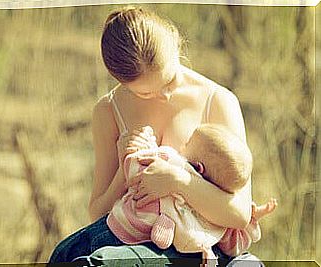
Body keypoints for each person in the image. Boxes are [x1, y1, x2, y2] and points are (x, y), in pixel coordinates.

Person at [48, 6, 262, 265]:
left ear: (175, 41)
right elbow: (98, 213)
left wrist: (178, 181)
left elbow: (238, 213)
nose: (166, 95)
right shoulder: (108, 110)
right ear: (121, 82)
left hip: (193, 243)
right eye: (146, 94)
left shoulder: (218, 101)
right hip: (128, 238)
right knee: (63, 254)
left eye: (170, 81)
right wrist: (124, 169)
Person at [108, 124, 277, 263]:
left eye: (188, 143)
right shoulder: (213, 216)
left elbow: (137, 170)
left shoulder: (171, 162)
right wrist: (252, 220)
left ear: (198, 167)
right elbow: (233, 245)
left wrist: (134, 149)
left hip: (123, 231)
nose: (182, 145)